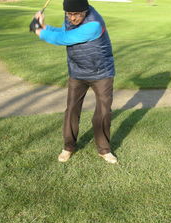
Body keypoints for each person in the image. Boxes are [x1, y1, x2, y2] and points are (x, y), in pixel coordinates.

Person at [34, 0, 117, 164]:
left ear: (85, 11)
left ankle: (104, 150)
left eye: (77, 14)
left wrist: (39, 31)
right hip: (77, 71)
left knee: (103, 112)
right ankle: (68, 147)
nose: (73, 18)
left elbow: (66, 38)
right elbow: (63, 32)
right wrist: (44, 26)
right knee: (71, 109)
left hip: (101, 73)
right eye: (69, 14)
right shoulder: (70, 18)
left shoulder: (94, 24)